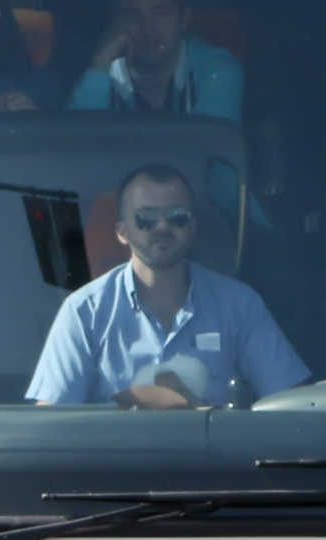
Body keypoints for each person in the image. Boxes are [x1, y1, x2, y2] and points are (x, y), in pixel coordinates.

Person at [27, 163, 309, 406]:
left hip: (219, 468)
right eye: (146, 218)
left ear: (193, 226)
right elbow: (53, 424)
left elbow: (293, 407)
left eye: (176, 216)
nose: (162, 227)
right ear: (122, 232)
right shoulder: (84, 311)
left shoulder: (240, 304)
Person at [68, 0, 243, 121]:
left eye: (161, 14)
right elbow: (72, 149)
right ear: (115, 22)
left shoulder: (215, 70)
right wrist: (100, 65)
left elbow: (214, 152)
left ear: (184, 18)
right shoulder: (99, 70)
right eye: (132, 14)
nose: (147, 29)